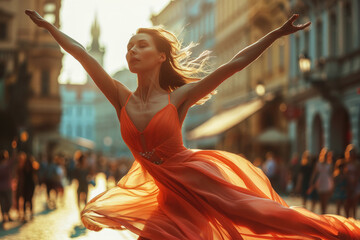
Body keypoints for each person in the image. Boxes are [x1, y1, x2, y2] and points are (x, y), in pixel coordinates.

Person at [25, 9, 360, 239]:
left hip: (199, 181)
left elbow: (234, 63)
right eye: (129, 46)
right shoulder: (119, 97)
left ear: (160, 57)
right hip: (167, 202)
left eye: (142, 45)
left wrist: (276, 33)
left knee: (269, 217)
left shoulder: (178, 97)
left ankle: (342, 232)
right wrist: (51, 29)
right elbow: (82, 53)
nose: (132, 50)